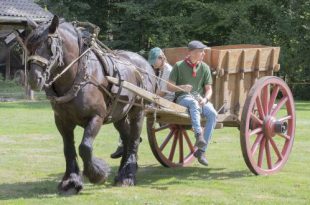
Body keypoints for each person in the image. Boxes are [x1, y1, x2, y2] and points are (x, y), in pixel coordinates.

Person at [110, 47, 174, 159]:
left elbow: (163, 92)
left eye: (155, 61)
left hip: (167, 100)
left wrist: (149, 97)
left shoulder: (168, 70)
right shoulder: (159, 70)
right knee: (126, 114)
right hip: (157, 99)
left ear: (161, 58)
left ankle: (128, 140)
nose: (153, 64)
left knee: (135, 111)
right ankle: (126, 142)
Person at [167, 40, 217, 166]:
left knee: (212, 113)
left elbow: (209, 89)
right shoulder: (178, 66)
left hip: (199, 98)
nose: (203, 54)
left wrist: (205, 99)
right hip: (183, 98)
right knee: (193, 103)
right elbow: (169, 87)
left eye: (203, 51)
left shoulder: (204, 67)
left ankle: (201, 151)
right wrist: (182, 87)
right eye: (201, 51)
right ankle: (199, 135)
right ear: (191, 53)